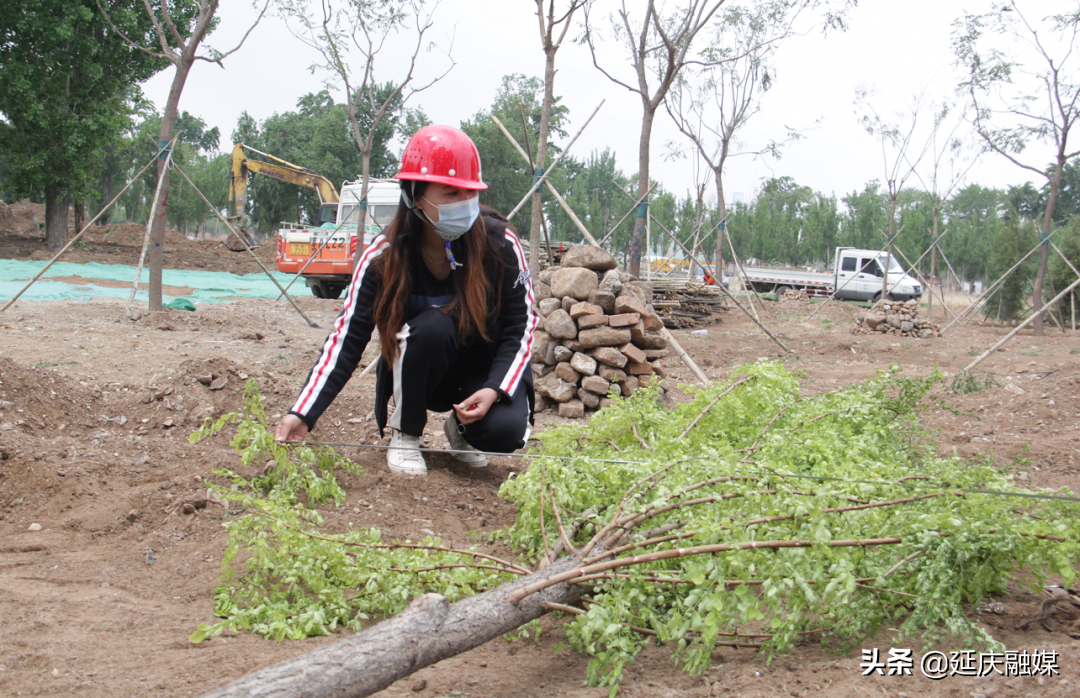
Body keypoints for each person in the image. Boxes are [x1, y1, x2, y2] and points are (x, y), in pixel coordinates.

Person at [274, 125, 537, 476]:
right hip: (419, 372)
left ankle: (462, 430)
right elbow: (347, 339)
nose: (464, 204)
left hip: (480, 372)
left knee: (504, 432)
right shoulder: (385, 256)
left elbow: (521, 326)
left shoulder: (500, 244)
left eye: (469, 193)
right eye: (450, 193)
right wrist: (303, 411)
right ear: (414, 194)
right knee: (432, 326)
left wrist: (493, 388)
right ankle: (406, 432)